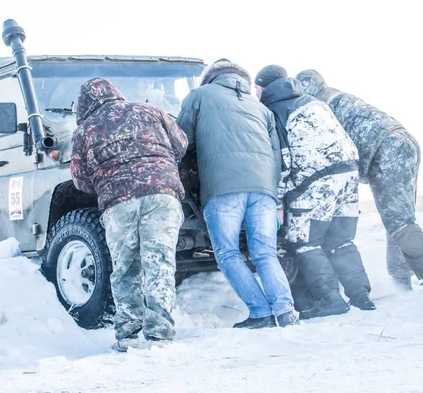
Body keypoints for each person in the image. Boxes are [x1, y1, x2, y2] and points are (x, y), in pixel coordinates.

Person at [295, 70, 423, 294]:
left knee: (400, 221)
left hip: (386, 150)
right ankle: (401, 280)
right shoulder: (338, 97)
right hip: (401, 142)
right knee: (397, 219)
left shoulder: (322, 106)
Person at [177, 59, 298, 329]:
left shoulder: (198, 96)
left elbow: (181, 144)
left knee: (228, 254)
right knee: (265, 253)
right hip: (264, 190)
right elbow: (276, 156)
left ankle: (260, 313)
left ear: (210, 79)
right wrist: (275, 196)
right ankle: (285, 310)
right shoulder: (261, 108)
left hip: (222, 189)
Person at [71, 77, 188, 352]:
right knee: (159, 263)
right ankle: (160, 334)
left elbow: (79, 180)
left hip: (117, 203)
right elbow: (181, 144)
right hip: (162, 194)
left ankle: (128, 336)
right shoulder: (150, 110)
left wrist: (104, 184)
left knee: (125, 268)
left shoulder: (84, 130)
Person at [255, 65, 375, 320]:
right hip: (347, 172)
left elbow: (283, 159)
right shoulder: (313, 102)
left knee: (305, 242)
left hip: (314, 180)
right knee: (341, 240)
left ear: (264, 87)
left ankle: (331, 299)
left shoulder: (275, 110)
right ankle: (361, 296)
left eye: (256, 87)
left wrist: (278, 201)